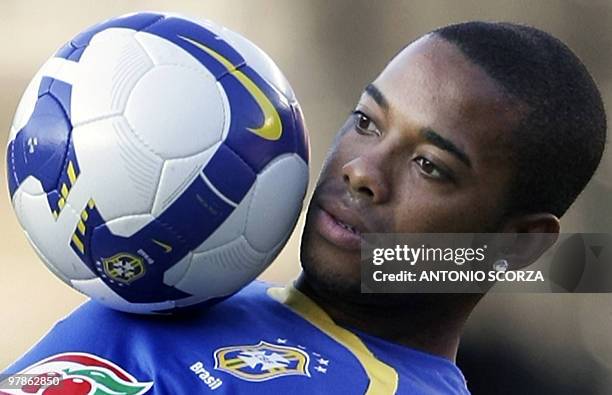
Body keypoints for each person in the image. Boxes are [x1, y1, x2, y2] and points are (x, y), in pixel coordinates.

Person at [2, 21, 606, 394]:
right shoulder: (182, 285)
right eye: (367, 122)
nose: (363, 171)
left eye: (430, 166)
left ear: (518, 245)